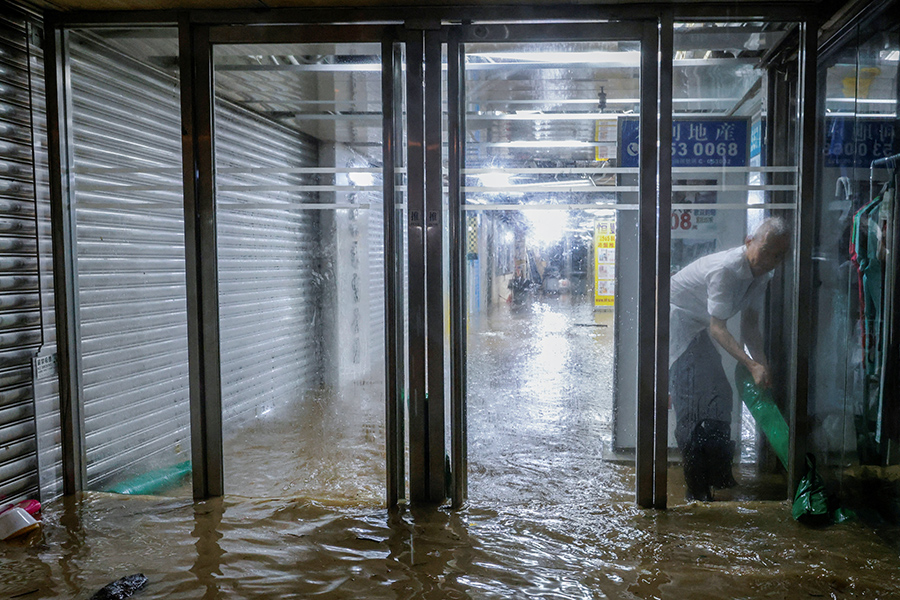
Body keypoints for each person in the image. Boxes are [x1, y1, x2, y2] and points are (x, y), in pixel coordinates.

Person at [669, 217, 791, 501]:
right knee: (694, 405)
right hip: (676, 324)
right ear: (750, 241)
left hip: (698, 327)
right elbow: (718, 328)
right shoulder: (725, 269)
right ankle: (697, 490)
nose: (773, 259)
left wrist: (762, 363)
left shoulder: (763, 274)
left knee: (721, 395)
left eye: (780, 255)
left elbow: (750, 325)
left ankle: (720, 475)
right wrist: (751, 365)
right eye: (768, 250)